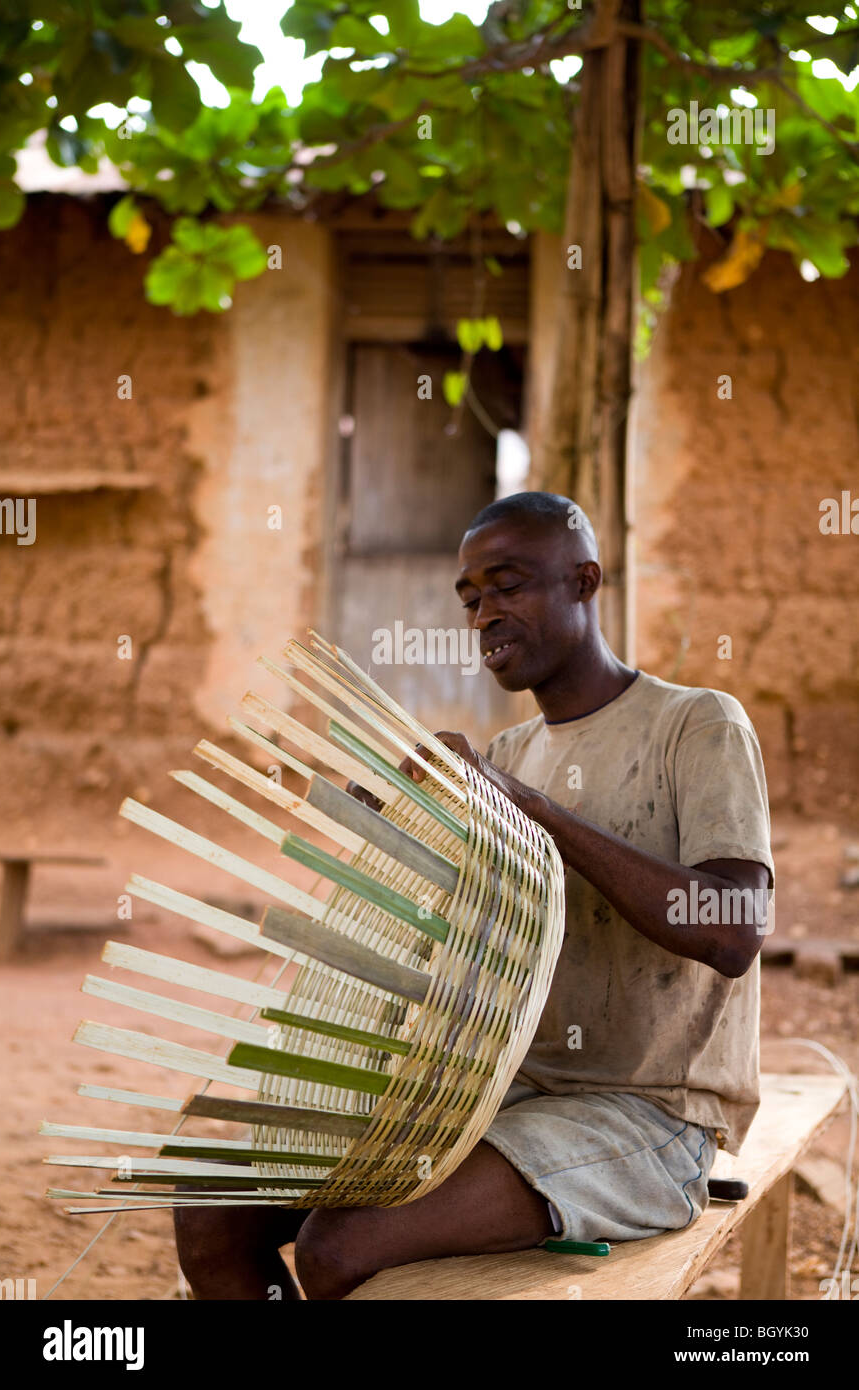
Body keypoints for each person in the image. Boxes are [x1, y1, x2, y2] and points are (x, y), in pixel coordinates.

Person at [174, 490, 774, 1300]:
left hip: (648, 1120)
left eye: (510, 584)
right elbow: (475, 937)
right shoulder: (510, 752)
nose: (485, 612)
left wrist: (527, 806)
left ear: (585, 581)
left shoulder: (698, 725)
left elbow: (733, 932)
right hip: (496, 1093)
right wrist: (405, 838)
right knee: (209, 1202)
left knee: (339, 1247)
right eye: (470, 598)